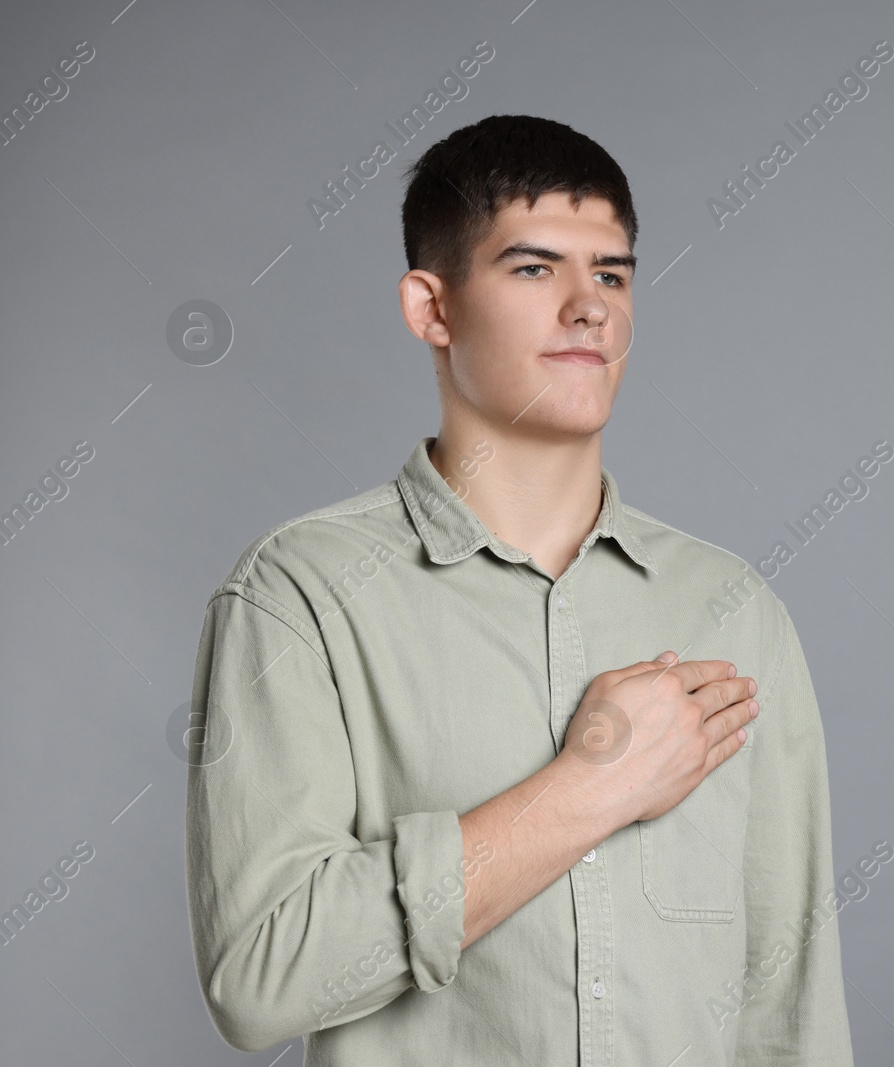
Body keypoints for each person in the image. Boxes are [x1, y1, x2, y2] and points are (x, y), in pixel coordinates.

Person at [183, 114, 854, 1065]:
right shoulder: (300, 595)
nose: (590, 307)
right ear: (432, 307)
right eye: (534, 268)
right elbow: (260, 979)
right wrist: (586, 791)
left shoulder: (735, 609)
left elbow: (790, 1009)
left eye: (612, 274)